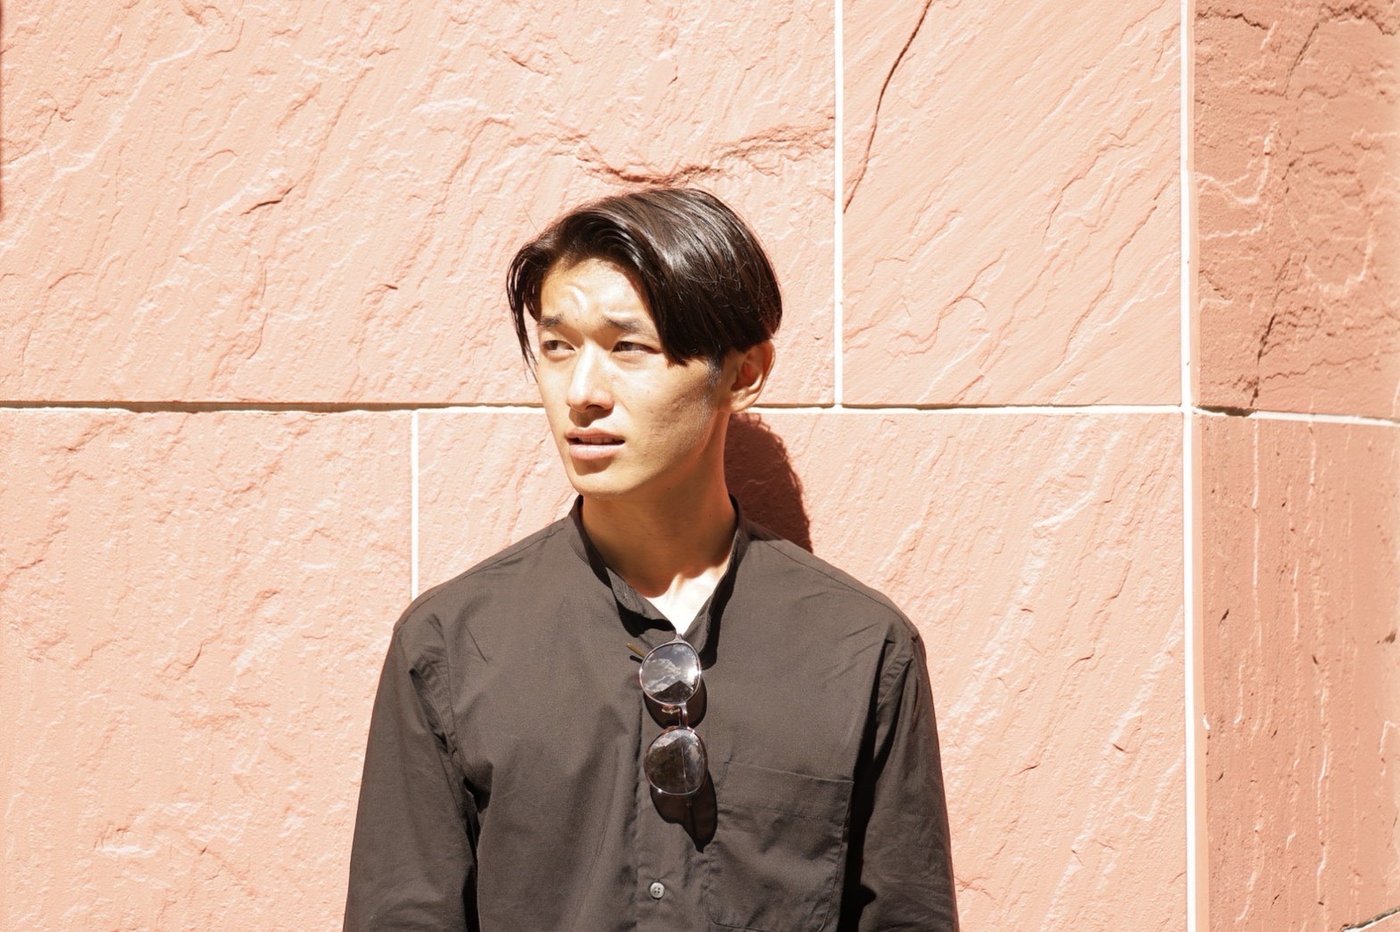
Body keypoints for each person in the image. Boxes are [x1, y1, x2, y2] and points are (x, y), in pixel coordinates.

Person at [344, 187, 959, 930]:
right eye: (557, 347)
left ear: (742, 373)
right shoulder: (452, 643)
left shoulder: (859, 647)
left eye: (628, 348)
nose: (581, 392)